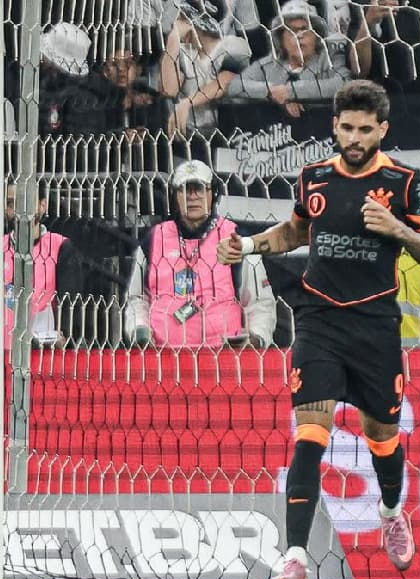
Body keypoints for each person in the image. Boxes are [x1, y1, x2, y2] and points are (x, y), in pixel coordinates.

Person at [216, 80, 420, 579]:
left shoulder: (405, 182)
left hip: (376, 324)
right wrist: (248, 245)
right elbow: (297, 231)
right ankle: (294, 554)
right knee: (310, 436)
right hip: (318, 318)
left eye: (366, 129)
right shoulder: (314, 177)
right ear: (335, 126)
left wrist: (398, 230)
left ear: (383, 129)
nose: (355, 137)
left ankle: (390, 513)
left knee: (382, 438)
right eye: (347, 128)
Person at [123, 159, 275, 348]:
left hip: (224, 359)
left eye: (200, 188)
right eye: (185, 189)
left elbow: (259, 302)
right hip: (163, 358)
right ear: (174, 196)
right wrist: (139, 329)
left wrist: (256, 338)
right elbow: (137, 298)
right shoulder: (153, 239)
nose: (192, 196)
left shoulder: (236, 238)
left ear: (214, 194)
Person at [227, 0, 351, 117]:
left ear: (317, 35)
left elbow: (344, 84)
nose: (299, 36)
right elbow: (234, 86)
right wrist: (272, 92)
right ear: (280, 38)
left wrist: (292, 92)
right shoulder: (269, 64)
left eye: (304, 29)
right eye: (291, 31)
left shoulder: (330, 58)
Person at [4, 182, 83, 349]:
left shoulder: (61, 247)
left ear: (42, 206)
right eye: (11, 204)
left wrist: (63, 336)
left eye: (26, 202)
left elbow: (70, 308)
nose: (20, 211)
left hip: (42, 354)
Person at [160, 0, 251, 136]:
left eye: (182, 17)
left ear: (194, 22)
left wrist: (188, 103)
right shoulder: (183, 52)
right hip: (189, 136)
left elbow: (224, 82)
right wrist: (172, 41)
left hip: (227, 135)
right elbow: (169, 90)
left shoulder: (235, 45)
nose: (176, 23)